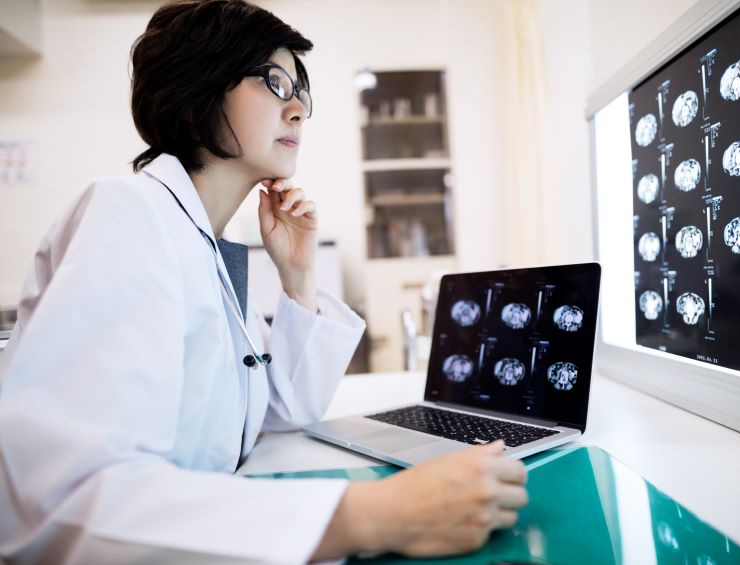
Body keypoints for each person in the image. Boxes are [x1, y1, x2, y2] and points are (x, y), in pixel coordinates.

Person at [0, 1, 528, 563]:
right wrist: (372, 515)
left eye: (303, 91)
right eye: (276, 82)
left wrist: (296, 277)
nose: (300, 108)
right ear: (197, 86)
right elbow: (62, 500)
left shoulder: (206, 242)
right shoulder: (128, 211)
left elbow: (275, 413)